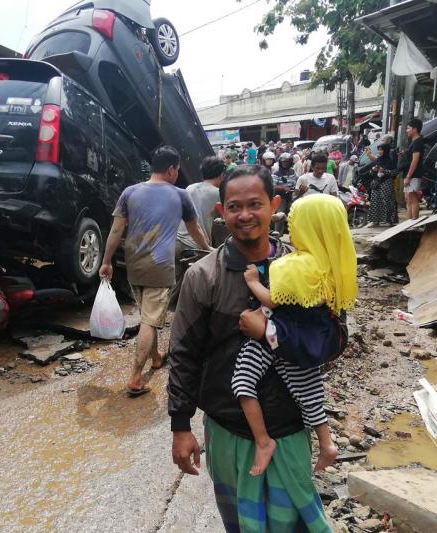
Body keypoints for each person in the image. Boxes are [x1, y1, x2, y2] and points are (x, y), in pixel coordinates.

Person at [168, 165, 330, 532]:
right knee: (241, 524)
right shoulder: (203, 276)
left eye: (254, 204)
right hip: (229, 432)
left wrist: (273, 335)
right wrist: (181, 426)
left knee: (296, 525)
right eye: (234, 206)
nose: (245, 216)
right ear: (221, 211)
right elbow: (183, 354)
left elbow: (334, 339)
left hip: (290, 428)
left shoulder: (304, 268)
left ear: (274, 205)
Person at [232, 194, 356, 476]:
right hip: (309, 340)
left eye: (293, 225)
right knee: (308, 391)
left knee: (242, 381)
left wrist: (252, 282)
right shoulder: (332, 264)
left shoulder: (296, 265)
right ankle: (326, 443)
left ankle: (263, 442)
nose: (289, 232)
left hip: (280, 335)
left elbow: (274, 300)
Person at [100, 146, 212, 397]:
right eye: (177, 170)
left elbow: (116, 231)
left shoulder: (130, 192)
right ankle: (135, 377)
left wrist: (106, 261)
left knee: (147, 316)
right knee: (150, 320)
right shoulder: (180, 195)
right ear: (172, 169)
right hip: (160, 266)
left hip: (133, 264)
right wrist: (209, 250)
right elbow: (196, 231)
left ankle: (156, 358)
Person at [177, 156, 226, 252]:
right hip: (196, 245)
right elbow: (226, 218)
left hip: (177, 240)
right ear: (221, 175)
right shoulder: (218, 193)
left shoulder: (190, 187)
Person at [366, 143, 398, 227]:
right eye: (379, 149)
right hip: (376, 183)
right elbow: (371, 172)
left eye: (381, 150)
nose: (380, 151)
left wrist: (384, 171)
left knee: (387, 201)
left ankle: (390, 220)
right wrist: (373, 170)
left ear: (386, 150)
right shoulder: (377, 160)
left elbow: (394, 172)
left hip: (386, 183)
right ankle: (375, 221)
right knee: (375, 201)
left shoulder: (391, 161)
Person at [402, 118, 425, 220]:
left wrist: (408, 176)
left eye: (408, 128)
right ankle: (409, 223)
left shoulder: (417, 142)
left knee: (412, 198)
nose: (406, 130)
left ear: (415, 129)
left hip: (413, 175)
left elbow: (415, 161)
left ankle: (413, 224)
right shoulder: (415, 142)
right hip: (411, 175)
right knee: (409, 199)